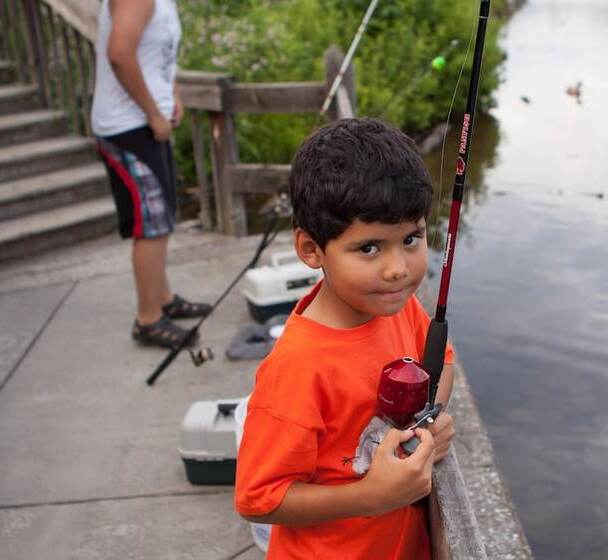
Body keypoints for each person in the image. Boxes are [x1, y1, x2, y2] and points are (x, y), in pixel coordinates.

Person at [235, 118, 457, 559]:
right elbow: (258, 498)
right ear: (311, 249)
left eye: (411, 238)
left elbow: (443, 364)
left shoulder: (396, 305)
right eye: (369, 248)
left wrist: (425, 425)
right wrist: (369, 497)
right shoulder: (298, 367)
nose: (398, 268)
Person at [91, 0, 211, 348]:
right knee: (151, 223)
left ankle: (163, 299)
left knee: (163, 214)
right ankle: (148, 318)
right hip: (127, 125)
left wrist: (171, 95)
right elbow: (119, 54)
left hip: (146, 121)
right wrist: (152, 112)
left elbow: (157, 54)